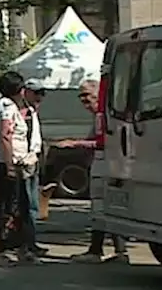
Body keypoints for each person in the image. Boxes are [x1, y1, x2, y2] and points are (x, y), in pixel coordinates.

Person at [59, 79, 129, 264]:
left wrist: (76, 143)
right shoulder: (107, 112)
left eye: (86, 96)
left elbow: (103, 142)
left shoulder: (102, 115)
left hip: (106, 165)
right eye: (80, 97)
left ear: (98, 94)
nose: (83, 101)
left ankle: (96, 250)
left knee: (100, 207)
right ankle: (119, 251)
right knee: (109, 207)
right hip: (110, 164)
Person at [0, 70, 39, 266]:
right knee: (7, 207)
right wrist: (9, 165)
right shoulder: (6, 106)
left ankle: (22, 248)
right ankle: (0, 251)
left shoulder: (12, 106)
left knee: (21, 207)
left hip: (17, 162)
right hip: (4, 162)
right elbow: (5, 135)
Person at [20, 78, 49, 256]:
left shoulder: (32, 110)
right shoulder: (21, 111)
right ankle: (27, 243)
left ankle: (30, 242)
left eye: (42, 93)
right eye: (36, 93)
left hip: (33, 159)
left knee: (33, 204)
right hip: (25, 160)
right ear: (26, 92)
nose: (40, 97)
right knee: (27, 204)